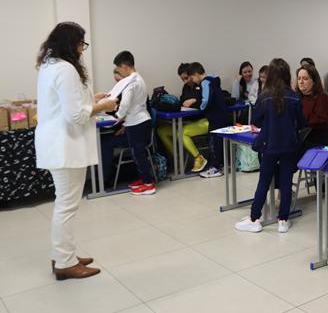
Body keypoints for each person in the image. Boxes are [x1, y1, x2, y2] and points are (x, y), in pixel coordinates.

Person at [35, 21, 117, 280]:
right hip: (65, 146)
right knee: (66, 206)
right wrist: (103, 106)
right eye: (81, 44)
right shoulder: (66, 69)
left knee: (64, 203)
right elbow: (75, 116)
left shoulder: (50, 65)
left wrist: (92, 100)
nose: (83, 49)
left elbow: (66, 105)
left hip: (57, 143)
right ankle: (64, 262)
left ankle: (64, 254)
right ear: (71, 44)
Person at [235, 58, 306, 234]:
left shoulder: (264, 96)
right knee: (286, 183)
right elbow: (301, 122)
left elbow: (256, 121)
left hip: (269, 145)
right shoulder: (294, 96)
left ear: (270, 75)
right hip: (290, 146)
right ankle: (283, 220)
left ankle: (254, 219)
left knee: (264, 182)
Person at [113, 51, 155, 195]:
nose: (119, 72)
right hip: (140, 120)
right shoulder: (139, 78)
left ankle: (148, 184)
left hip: (137, 122)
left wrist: (118, 116)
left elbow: (125, 103)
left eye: (118, 69)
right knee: (138, 154)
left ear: (124, 66)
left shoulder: (130, 82)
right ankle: (144, 179)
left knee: (138, 155)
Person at [157, 63, 209, 173]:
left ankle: (199, 158)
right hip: (188, 121)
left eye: (186, 78)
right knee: (161, 131)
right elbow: (182, 101)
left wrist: (194, 101)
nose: (185, 81)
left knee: (181, 133)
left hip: (203, 120)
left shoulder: (203, 85)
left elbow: (206, 103)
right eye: (182, 79)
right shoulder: (186, 87)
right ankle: (178, 159)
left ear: (192, 74)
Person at [188, 62, 232, 178]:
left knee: (214, 142)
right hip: (222, 115)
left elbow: (206, 100)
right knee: (220, 142)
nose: (193, 81)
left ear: (196, 74)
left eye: (192, 78)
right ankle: (220, 165)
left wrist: (200, 108)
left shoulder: (205, 83)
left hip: (215, 117)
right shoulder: (213, 79)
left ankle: (216, 168)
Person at [296, 65, 328, 148]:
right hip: (298, 138)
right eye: (299, 78)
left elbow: (320, 122)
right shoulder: (296, 97)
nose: (301, 82)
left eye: (305, 79)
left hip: (315, 141)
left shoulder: (322, 97)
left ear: (314, 81)